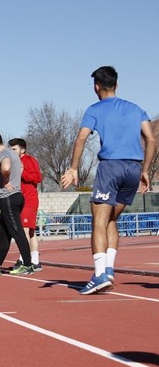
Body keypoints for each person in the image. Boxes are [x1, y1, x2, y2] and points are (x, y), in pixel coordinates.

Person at [61, 66, 155, 295]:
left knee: (99, 221)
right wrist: (145, 170)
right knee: (111, 219)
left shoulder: (95, 109)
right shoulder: (136, 109)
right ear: (117, 84)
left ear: (96, 87)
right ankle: (109, 270)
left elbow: (82, 136)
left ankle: (99, 274)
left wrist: (73, 168)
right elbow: (151, 139)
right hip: (133, 168)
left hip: (111, 167)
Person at [0, 129, 33, 276]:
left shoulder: (4, 154)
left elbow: (6, 167)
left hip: (9, 197)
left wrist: (7, 180)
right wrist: (16, 181)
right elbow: (21, 167)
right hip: (15, 196)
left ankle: (28, 264)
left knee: (17, 232)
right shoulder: (14, 153)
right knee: (4, 235)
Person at [8, 138, 43, 272]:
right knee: (31, 231)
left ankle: (24, 259)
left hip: (29, 200)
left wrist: (23, 172)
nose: (12, 151)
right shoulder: (12, 162)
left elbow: (38, 178)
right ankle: (35, 261)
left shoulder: (30, 160)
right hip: (18, 200)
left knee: (25, 230)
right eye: (10, 149)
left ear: (22, 149)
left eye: (14, 149)